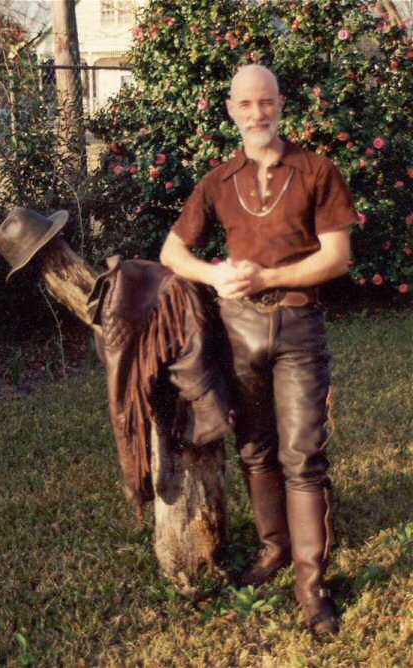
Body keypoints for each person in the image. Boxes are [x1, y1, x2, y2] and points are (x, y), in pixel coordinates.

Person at [159, 64, 358, 636]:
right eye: (245, 104)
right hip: (238, 328)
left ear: (280, 104)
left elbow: (337, 257)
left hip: (297, 325)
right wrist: (213, 274)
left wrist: (265, 278)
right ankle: (274, 550)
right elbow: (174, 250)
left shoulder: (317, 171)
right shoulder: (219, 181)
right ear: (231, 110)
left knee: (303, 455)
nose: (257, 114)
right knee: (254, 448)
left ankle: (310, 583)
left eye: (266, 102)